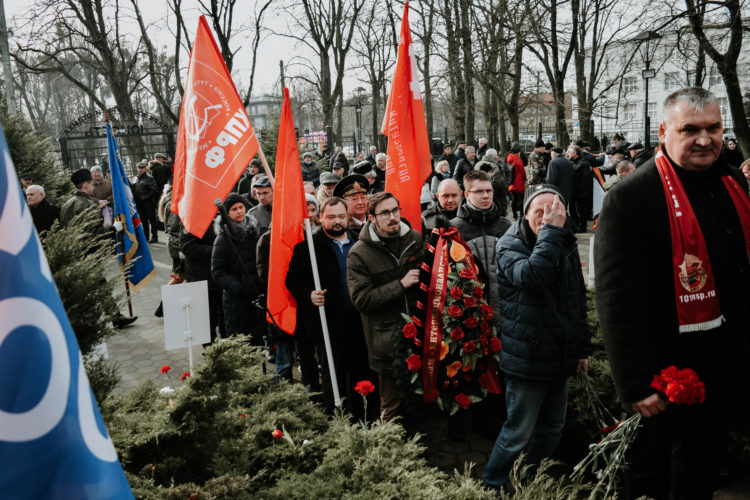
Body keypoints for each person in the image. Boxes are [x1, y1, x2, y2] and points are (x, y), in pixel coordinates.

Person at [595, 87, 750, 500]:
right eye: (690, 129)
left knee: (703, 473)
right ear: (664, 131)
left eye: (713, 128)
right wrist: (635, 384)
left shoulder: (732, 181)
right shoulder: (631, 198)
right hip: (668, 380)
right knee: (658, 479)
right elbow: (616, 297)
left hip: (725, 366)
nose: (705, 139)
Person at [483, 184, 590, 492]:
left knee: (552, 429)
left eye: (552, 212)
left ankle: (527, 478)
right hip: (527, 357)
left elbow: (575, 299)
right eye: (538, 211)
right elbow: (531, 277)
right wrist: (551, 234)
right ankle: (493, 483)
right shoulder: (509, 244)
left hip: (560, 354)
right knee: (518, 430)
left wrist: (581, 349)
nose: (545, 218)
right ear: (525, 213)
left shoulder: (564, 242)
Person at [286, 197, 376, 419]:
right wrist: (309, 295)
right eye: (332, 217)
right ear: (321, 218)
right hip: (329, 325)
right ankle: (336, 420)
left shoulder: (360, 242)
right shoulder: (308, 247)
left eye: (341, 216)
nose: (337, 221)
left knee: (362, 374)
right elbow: (292, 281)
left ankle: (364, 419)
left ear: (348, 217)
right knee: (333, 377)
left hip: (361, 323)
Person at [347, 192, 424, 421]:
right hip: (386, 341)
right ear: (372, 218)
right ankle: (390, 451)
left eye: (395, 210)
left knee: (418, 396)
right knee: (391, 404)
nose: (393, 217)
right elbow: (362, 299)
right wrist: (400, 284)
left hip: (417, 336)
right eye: (385, 213)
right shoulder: (359, 254)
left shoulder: (414, 238)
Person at [451, 170, 511, 321]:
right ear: (466, 194)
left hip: (504, 308)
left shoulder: (505, 226)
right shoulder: (453, 229)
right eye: (479, 191)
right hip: (469, 313)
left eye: (488, 190)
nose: (485, 195)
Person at [211, 193, 261, 338]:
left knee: (256, 339)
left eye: (241, 207)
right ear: (227, 213)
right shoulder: (223, 238)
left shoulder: (254, 232)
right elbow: (218, 271)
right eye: (234, 209)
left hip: (256, 293)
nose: (239, 211)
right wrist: (239, 288)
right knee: (240, 338)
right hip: (236, 300)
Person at [474, 148, 508, 216]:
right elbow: (499, 182)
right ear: (495, 157)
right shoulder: (494, 166)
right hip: (494, 196)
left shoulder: (477, 164)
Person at [133, 160, 160, 242]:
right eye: (139, 168)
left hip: (149, 203)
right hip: (140, 204)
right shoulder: (136, 178)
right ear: (137, 168)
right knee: (144, 221)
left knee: (152, 221)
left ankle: (154, 236)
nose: (140, 169)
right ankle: (146, 237)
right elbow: (134, 188)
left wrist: (145, 198)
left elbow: (154, 190)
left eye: (142, 168)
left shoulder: (149, 178)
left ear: (145, 169)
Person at [568, 144, 592, 233]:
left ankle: (582, 227)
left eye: (570, 152)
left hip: (580, 192)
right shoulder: (573, 162)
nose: (568, 154)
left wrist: (582, 192)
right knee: (572, 209)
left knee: (580, 210)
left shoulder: (583, 163)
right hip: (574, 191)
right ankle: (575, 225)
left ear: (575, 153)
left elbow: (585, 180)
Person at [506, 144, 526, 220]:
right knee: (521, 199)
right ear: (518, 152)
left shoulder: (509, 158)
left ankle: (514, 215)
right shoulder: (518, 160)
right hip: (519, 182)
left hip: (512, 182)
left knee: (514, 199)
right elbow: (523, 172)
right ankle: (521, 214)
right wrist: (525, 178)